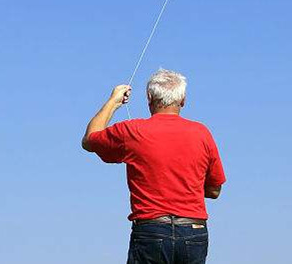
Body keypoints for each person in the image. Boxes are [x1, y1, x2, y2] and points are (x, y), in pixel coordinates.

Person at [82, 68, 226, 264]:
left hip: (151, 231)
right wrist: (182, 185)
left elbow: (89, 140)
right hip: (194, 231)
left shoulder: (132, 130)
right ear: (183, 100)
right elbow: (214, 190)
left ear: (149, 97)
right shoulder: (202, 133)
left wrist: (113, 102)